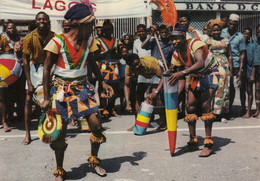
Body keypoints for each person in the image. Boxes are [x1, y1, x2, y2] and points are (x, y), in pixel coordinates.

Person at [41, 3, 114, 180]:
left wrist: (103, 82)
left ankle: (94, 160)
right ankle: (59, 169)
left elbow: (93, 62)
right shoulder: (57, 41)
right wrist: (45, 97)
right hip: (61, 90)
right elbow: (46, 68)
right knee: (60, 133)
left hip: (82, 89)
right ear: (80, 24)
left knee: (96, 125)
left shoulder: (90, 41)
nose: (93, 29)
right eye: (91, 25)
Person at [168, 24, 219, 157]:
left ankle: (208, 143)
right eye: (172, 39)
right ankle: (193, 140)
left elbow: (200, 62)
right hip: (196, 76)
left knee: (205, 106)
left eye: (176, 38)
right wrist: (170, 72)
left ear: (183, 36)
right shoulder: (176, 53)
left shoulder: (195, 44)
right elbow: (175, 71)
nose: (174, 41)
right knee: (190, 106)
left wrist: (182, 72)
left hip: (210, 73)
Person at [22, 11, 56, 145]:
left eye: (45, 19)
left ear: (48, 21)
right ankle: (27, 134)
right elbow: (25, 60)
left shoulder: (54, 36)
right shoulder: (29, 37)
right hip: (35, 69)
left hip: (51, 69)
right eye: (40, 19)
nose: (42, 21)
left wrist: (53, 72)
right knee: (28, 99)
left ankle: (53, 131)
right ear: (36, 22)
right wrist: (29, 82)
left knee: (53, 101)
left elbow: (58, 56)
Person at [124, 54, 165, 131]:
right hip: (143, 75)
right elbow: (127, 85)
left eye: (138, 63)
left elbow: (162, 77)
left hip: (156, 74)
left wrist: (156, 91)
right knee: (138, 96)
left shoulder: (150, 62)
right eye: (134, 65)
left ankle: (163, 121)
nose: (137, 66)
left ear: (139, 59)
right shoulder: (128, 68)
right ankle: (137, 123)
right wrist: (127, 103)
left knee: (155, 96)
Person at [205, 19, 232, 122]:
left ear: (221, 30)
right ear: (211, 30)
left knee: (224, 90)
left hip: (224, 66)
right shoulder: (207, 41)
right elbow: (205, 55)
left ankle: (222, 114)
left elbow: (229, 55)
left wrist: (230, 69)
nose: (216, 32)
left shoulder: (226, 41)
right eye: (214, 30)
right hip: (212, 66)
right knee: (212, 88)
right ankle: (211, 112)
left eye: (218, 30)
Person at [221, 14, 246, 118]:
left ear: (237, 24)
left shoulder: (240, 36)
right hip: (222, 63)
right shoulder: (221, 32)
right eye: (230, 23)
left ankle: (229, 110)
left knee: (232, 88)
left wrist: (240, 70)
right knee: (223, 87)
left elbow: (242, 54)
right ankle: (221, 110)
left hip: (235, 64)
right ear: (228, 23)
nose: (232, 26)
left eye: (234, 24)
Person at [96, 19, 122, 117]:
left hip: (114, 66)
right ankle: (104, 108)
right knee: (103, 86)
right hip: (103, 66)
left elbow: (120, 55)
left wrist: (115, 54)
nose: (108, 32)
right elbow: (96, 56)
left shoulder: (117, 41)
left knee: (114, 87)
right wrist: (107, 53)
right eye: (106, 30)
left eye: (110, 30)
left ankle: (111, 107)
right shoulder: (98, 41)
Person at [247, 25, 260, 118]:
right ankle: (257, 110)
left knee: (258, 90)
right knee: (256, 90)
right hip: (256, 67)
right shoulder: (255, 41)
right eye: (258, 32)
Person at [0, 31, 11, 132]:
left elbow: (8, 53)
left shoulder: (2, 38)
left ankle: (4, 121)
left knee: (2, 98)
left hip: (1, 70)